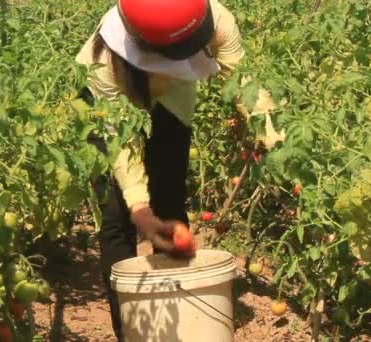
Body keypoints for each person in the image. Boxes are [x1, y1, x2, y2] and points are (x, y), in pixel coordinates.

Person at [75, 0, 246, 339]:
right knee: (117, 218)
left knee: (170, 200)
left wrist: (266, 132)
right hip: (110, 109)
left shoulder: (214, 18)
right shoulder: (104, 62)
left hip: (173, 103)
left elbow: (243, 82)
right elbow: (121, 144)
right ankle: (130, 330)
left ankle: (183, 320)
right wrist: (139, 207)